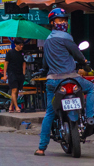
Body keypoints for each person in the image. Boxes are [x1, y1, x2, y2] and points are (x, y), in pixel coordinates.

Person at [35, 8, 94, 156]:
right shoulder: (66, 37)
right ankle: (90, 118)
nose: (64, 22)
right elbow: (78, 55)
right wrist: (85, 62)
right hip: (72, 78)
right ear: (52, 22)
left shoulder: (47, 41)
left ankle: (41, 148)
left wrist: (43, 70)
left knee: (49, 113)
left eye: (65, 20)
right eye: (60, 20)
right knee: (92, 88)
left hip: (53, 82)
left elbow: (45, 64)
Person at [3, 38, 26, 113]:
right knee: (14, 89)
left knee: (16, 91)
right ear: (15, 44)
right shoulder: (10, 53)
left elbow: (24, 62)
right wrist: (5, 74)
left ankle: (11, 106)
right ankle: (16, 107)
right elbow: (6, 63)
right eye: (20, 45)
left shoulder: (22, 53)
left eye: (22, 45)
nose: (21, 46)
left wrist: (23, 73)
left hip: (19, 73)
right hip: (12, 73)